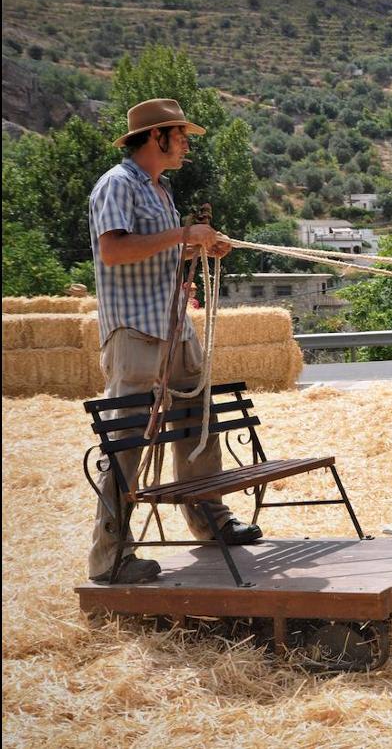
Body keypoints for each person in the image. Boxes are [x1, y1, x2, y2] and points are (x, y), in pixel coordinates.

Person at [87, 98, 261, 584]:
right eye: (181, 135)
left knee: (196, 425)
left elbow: (154, 254)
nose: (187, 144)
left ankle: (210, 521)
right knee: (126, 445)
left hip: (173, 327)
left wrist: (197, 247)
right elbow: (114, 250)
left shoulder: (160, 190)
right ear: (156, 137)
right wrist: (185, 234)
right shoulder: (117, 185)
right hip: (137, 334)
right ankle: (111, 557)